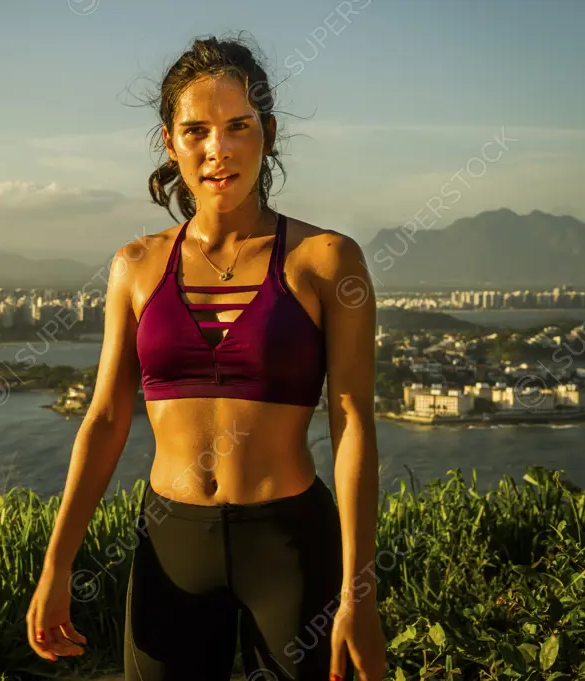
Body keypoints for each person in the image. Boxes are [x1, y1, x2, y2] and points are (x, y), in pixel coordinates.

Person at [26, 33, 387, 681]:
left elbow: (353, 422)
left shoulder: (327, 261)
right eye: (196, 130)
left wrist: (359, 591)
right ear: (171, 142)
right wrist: (58, 566)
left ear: (268, 134)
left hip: (290, 547)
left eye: (238, 126)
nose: (218, 150)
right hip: (171, 545)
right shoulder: (135, 266)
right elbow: (106, 418)